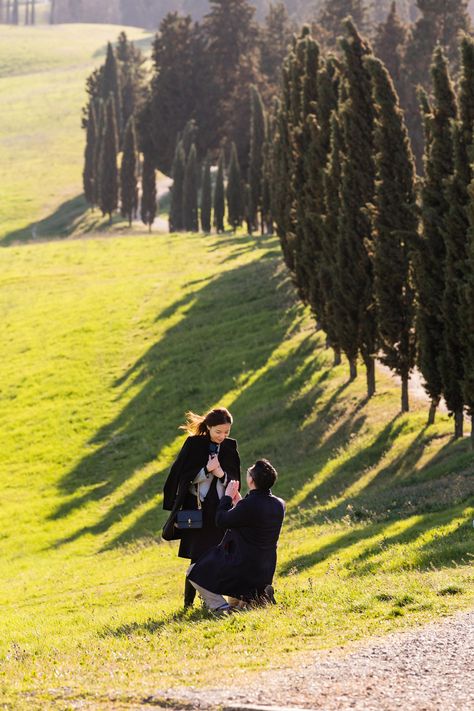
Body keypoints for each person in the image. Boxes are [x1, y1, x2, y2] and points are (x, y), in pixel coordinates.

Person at [162, 407, 240, 607]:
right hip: (197, 510)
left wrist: (221, 473)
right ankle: (188, 603)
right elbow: (182, 475)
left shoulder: (230, 447)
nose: (222, 436)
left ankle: (210, 600)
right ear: (208, 427)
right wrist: (206, 470)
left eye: (226, 432)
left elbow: (234, 481)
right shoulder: (194, 445)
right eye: (218, 432)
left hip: (220, 511)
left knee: (217, 555)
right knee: (196, 559)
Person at [186, 459, 285, 614]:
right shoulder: (279, 504)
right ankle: (255, 598)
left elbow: (221, 520)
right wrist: (239, 501)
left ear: (251, 480)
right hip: (265, 570)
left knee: (193, 571)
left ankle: (221, 608)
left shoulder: (248, 505)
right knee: (236, 587)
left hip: (244, 567)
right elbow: (253, 517)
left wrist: (227, 497)